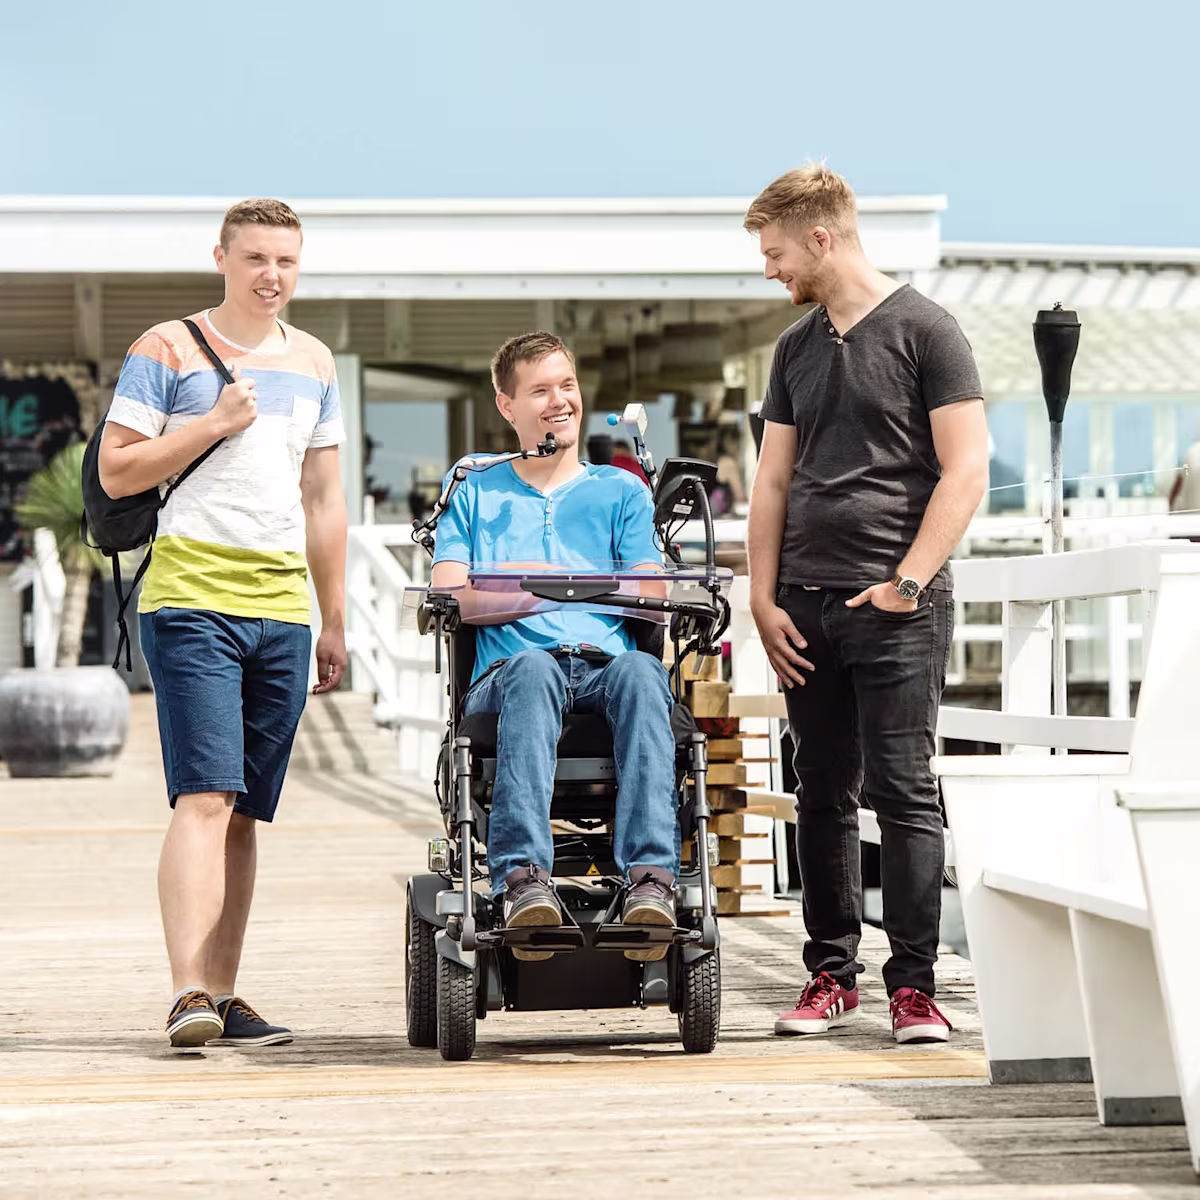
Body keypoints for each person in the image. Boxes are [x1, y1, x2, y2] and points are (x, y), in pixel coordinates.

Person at [743, 166, 988, 1044]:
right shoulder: (795, 348)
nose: (769, 272)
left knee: (905, 789)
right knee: (819, 788)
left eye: (774, 254)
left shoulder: (928, 330)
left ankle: (915, 990)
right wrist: (762, 599)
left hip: (898, 607)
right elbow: (773, 479)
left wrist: (909, 583)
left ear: (821, 237)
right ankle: (829, 977)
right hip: (805, 606)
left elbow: (966, 468)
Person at [98, 198, 348, 1048]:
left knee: (244, 811)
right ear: (221, 258)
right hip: (192, 597)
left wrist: (335, 619)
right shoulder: (163, 347)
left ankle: (227, 994)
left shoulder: (315, 361)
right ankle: (185, 992)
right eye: (254, 259)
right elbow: (119, 470)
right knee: (204, 794)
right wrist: (213, 422)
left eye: (285, 261)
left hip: (281, 610)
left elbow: (324, 499)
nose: (270, 275)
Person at [430, 331, 678, 961]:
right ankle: (521, 881)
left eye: (566, 385)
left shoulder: (621, 491)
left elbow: (650, 590)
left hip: (601, 669)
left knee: (644, 671)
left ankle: (651, 881)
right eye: (540, 390)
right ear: (506, 404)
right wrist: (554, 595)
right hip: (511, 674)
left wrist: (517, 587)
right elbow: (454, 595)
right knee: (536, 667)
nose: (560, 401)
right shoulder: (477, 492)